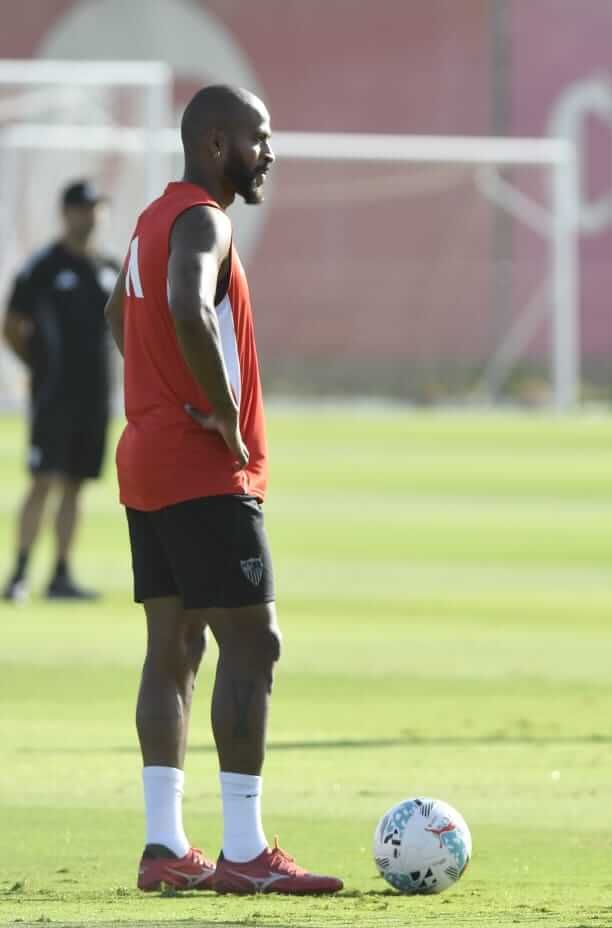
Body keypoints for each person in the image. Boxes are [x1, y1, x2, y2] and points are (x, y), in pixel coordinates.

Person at [104, 84, 341, 895]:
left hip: (145, 458)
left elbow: (119, 314)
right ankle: (244, 848)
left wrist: (161, 391)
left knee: (173, 648)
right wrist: (216, 410)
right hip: (202, 468)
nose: (268, 152)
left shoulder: (147, 222)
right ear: (214, 143)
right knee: (253, 643)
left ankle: (165, 844)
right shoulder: (205, 219)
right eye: (258, 137)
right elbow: (184, 305)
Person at [3, 180, 121, 602]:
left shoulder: (110, 269)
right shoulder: (43, 268)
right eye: (83, 208)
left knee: (76, 484)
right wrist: (37, 365)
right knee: (43, 481)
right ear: (66, 213)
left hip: (96, 398)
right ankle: (17, 574)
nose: (91, 217)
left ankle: (61, 575)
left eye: (97, 208)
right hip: (54, 397)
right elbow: (12, 325)